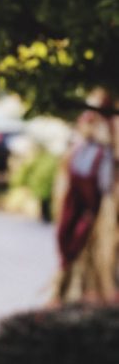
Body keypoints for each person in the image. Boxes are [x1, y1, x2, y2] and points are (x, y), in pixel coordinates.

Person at [53, 89, 116, 304]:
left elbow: (105, 187)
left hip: (95, 211)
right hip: (78, 204)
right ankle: (69, 288)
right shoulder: (80, 149)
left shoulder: (104, 151)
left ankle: (93, 293)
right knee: (67, 239)